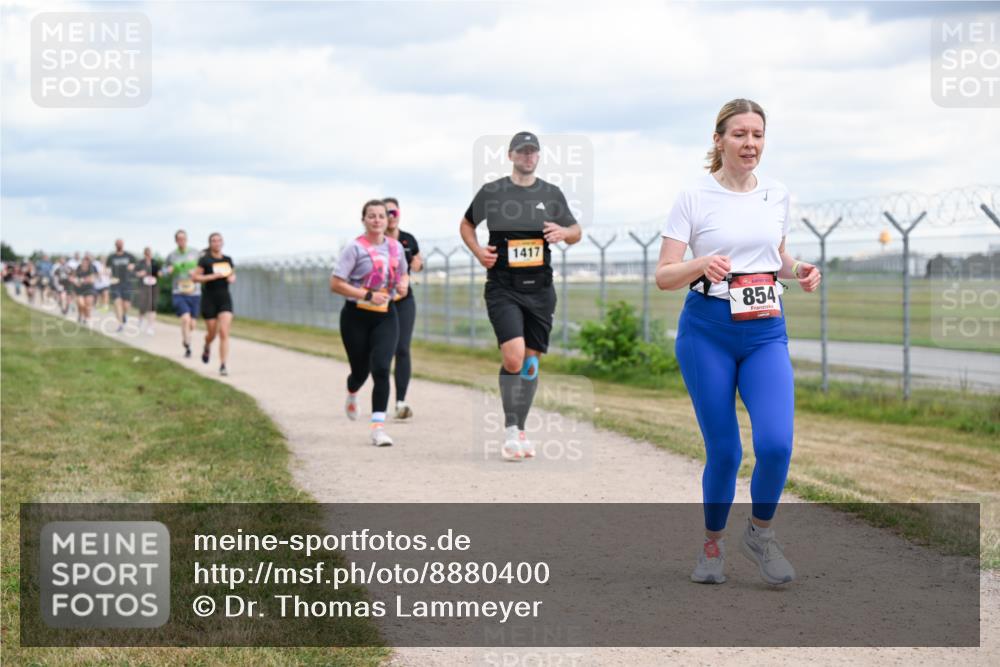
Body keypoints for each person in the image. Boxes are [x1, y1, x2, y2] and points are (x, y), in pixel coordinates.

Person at [654, 98, 822, 586]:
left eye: (758, 135)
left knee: (775, 445)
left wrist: (801, 270)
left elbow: (777, 256)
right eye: (740, 134)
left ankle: (760, 535)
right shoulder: (694, 197)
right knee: (725, 451)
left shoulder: (777, 193)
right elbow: (664, 275)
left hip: (766, 328)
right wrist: (699, 265)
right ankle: (712, 546)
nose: (750, 144)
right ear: (718, 139)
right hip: (707, 330)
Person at [459, 131, 582, 461]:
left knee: (529, 364)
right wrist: (477, 252)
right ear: (511, 155)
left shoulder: (550, 193)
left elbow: (576, 232)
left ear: (538, 157)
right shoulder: (493, 192)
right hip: (503, 286)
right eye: (522, 151)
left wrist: (563, 232)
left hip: (540, 288)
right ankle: (512, 430)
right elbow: (467, 225)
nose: (528, 156)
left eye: (533, 152)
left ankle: (518, 428)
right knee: (513, 357)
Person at [330, 199, 409, 447]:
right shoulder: (354, 249)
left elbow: (403, 273)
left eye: (381, 216)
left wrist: (404, 283)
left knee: (382, 368)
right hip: (356, 316)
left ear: (388, 220)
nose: (376, 220)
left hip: (386, 314)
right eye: (371, 216)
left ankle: (378, 428)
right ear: (363, 220)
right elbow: (336, 283)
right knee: (360, 371)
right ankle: (352, 390)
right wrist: (366, 295)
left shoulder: (395, 247)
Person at [383, 197, 423, 419]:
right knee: (383, 351)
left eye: (394, 212)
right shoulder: (375, 242)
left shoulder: (408, 239)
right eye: (385, 212)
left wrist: (418, 264)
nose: (390, 216)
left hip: (404, 299)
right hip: (380, 300)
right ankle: (379, 397)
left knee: (403, 348)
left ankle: (400, 401)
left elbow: (418, 260)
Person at [192, 233, 236, 376]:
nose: (216, 243)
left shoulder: (227, 259)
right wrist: (212, 276)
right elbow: (195, 277)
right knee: (212, 333)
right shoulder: (205, 260)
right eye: (213, 241)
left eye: (219, 240)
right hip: (209, 299)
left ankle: (223, 365)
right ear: (210, 243)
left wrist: (231, 277)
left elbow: (232, 275)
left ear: (222, 243)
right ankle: (207, 345)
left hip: (224, 299)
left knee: (224, 332)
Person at [164, 230, 201, 358]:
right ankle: (188, 346)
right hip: (178, 291)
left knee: (192, 324)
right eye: (179, 239)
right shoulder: (171, 256)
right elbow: (163, 270)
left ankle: (186, 338)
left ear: (187, 239)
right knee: (185, 319)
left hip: (194, 291)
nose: (181, 241)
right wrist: (168, 270)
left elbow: (203, 268)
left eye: (183, 238)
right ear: (176, 240)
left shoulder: (195, 253)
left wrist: (196, 272)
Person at [107, 240, 137, 332]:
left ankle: (124, 315)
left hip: (127, 283)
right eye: (118, 244)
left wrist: (132, 266)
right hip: (115, 283)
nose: (119, 245)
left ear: (123, 245)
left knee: (126, 305)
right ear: (115, 245)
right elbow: (107, 268)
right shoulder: (111, 257)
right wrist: (108, 275)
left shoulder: (129, 256)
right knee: (117, 302)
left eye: (121, 244)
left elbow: (135, 265)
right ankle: (120, 324)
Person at [134, 247, 161, 335]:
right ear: (144, 254)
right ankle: (140, 320)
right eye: (147, 253)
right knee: (142, 305)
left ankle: (150, 326)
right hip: (143, 287)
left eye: (149, 253)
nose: (148, 255)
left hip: (153, 287)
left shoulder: (155, 262)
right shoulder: (140, 263)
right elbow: (135, 273)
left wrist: (160, 273)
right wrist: (139, 274)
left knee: (152, 306)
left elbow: (159, 273)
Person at [74, 254, 99, 324]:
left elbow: (92, 279)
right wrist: (76, 281)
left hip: (89, 289)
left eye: (87, 261)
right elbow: (74, 277)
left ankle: (87, 318)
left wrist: (81, 280)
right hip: (80, 289)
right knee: (81, 304)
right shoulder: (78, 268)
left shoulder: (91, 268)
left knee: (88, 305)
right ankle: (80, 315)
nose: (85, 262)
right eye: (84, 261)